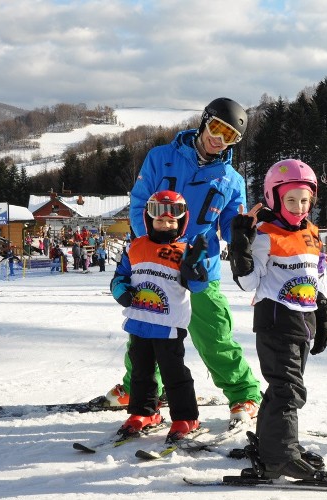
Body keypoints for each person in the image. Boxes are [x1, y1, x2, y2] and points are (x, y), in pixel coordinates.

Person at [103, 97, 262, 425]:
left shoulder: (231, 180)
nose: (218, 139)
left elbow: (231, 228)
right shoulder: (161, 158)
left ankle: (244, 394)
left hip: (200, 267)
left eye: (229, 136)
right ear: (204, 121)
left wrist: (244, 233)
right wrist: (152, 245)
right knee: (147, 329)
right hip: (156, 261)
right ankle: (140, 389)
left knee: (214, 333)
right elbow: (138, 204)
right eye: (217, 128)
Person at [228, 158, 327, 481]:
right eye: (290, 200)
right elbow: (248, 282)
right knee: (288, 391)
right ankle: (280, 457)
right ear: (274, 198)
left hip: (303, 325)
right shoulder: (265, 235)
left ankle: (273, 444)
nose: (299, 207)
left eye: (305, 200)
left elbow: (319, 279)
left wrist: (324, 316)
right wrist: (241, 245)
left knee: (280, 391)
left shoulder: (313, 234)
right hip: (275, 324)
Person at [110, 191, 201, 442]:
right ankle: (144, 412)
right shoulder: (135, 247)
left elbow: (197, 285)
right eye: (160, 221)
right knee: (141, 372)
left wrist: (194, 267)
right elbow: (119, 277)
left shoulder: (184, 250)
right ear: (150, 221)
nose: (165, 226)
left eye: (171, 222)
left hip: (169, 325)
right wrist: (121, 292)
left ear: (181, 223)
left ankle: (186, 417)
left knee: (173, 373)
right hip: (140, 322)